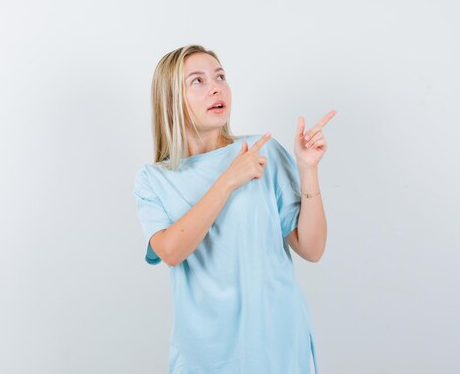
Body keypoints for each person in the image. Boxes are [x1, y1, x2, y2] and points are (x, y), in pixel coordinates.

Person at [132, 44, 336, 374]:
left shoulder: (262, 151)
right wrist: (228, 180)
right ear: (170, 100)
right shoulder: (153, 180)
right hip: (205, 354)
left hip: (278, 344)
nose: (216, 87)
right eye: (197, 81)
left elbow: (312, 249)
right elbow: (170, 251)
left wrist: (308, 169)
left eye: (220, 77)